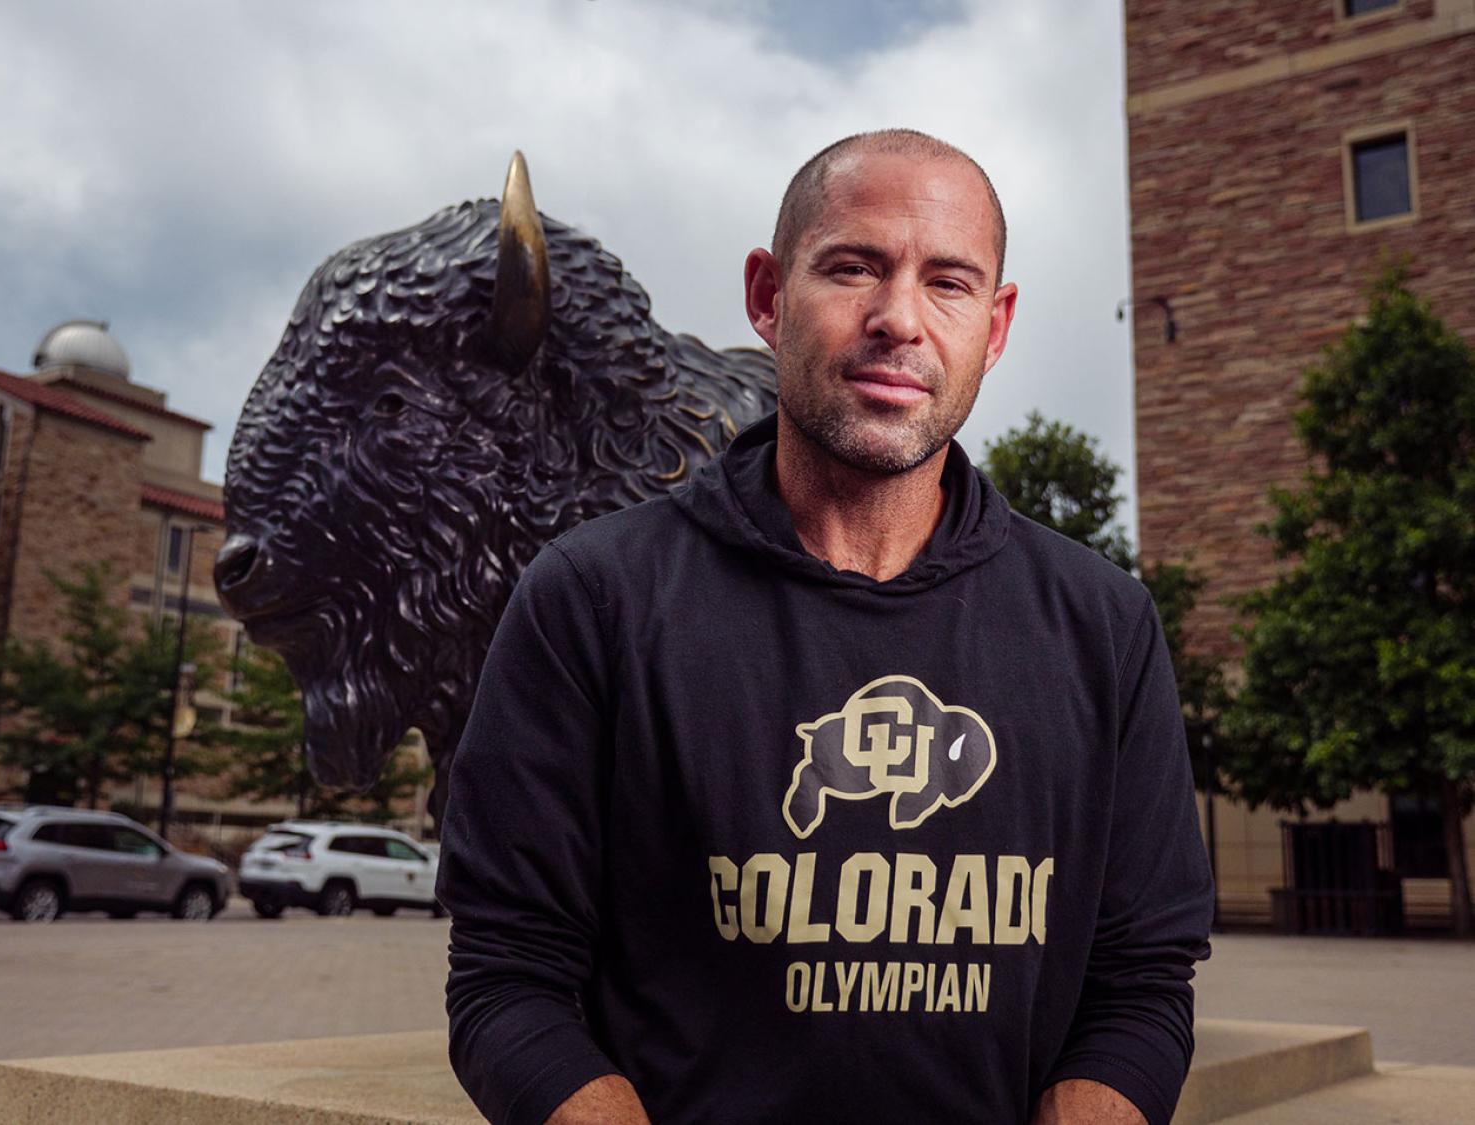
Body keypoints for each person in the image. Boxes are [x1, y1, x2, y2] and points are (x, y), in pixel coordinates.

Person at [439, 128, 1214, 1125]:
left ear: (997, 322)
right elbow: (508, 975)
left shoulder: (1103, 625)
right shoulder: (590, 598)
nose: (899, 320)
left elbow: (1144, 978)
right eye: (853, 268)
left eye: (949, 283)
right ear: (767, 296)